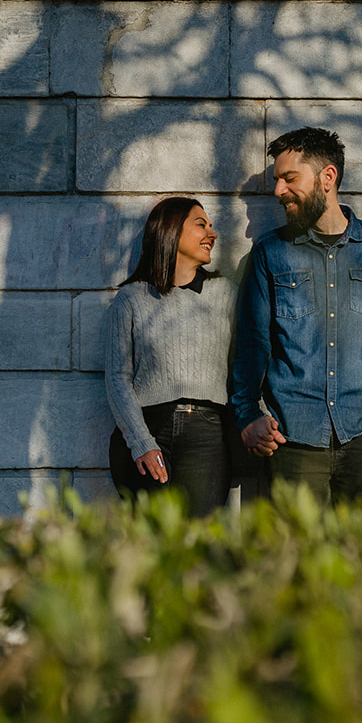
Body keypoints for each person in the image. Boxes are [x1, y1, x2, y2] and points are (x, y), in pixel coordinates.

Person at [230, 127, 362, 510]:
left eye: (289, 179)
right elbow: (252, 342)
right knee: (295, 561)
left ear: (327, 177)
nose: (278, 191)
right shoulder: (271, 254)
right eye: (277, 180)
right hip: (294, 441)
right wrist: (248, 414)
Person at [105, 196, 236, 516]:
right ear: (171, 232)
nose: (212, 233)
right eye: (200, 224)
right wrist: (142, 442)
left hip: (208, 433)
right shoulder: (132, 298)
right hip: (149, 430)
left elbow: (243, 367)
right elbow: (117, 377)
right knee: (151, 547)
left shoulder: (225, 293)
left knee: (199, 546)